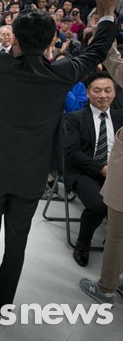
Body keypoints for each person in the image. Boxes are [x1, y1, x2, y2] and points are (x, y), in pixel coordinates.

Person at [0, 0, 120, 306]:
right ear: (51, 41)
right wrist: (108, 14)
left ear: (15, 39)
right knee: (18, 238)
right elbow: (96, 52)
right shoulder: (62, 72)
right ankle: (5, 295)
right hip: (34, 174)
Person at [80, 43, 123, 304]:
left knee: (117, 234)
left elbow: (115, 64)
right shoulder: (77, 117)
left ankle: (106, 288)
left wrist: (106, 29)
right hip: (92, 170)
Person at [65, 72, 122, 267]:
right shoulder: (75, 118)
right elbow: (72, 152)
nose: (103, 95)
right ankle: (83, 243)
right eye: (97, 91)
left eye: (107, 90)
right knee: (99, 205)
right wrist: (102, 168)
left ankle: (114, 240)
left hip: (116, 172)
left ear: (114, 93)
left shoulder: (120, 118)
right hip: (84, 171)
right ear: (88, 93)